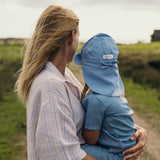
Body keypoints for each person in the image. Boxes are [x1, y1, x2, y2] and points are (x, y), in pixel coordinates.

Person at [15, 5, 147, 160]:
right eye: (78, 36)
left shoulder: (64, 76)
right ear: (72, 36)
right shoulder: (51, 87)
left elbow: (99, 116)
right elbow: (62, 155)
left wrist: (136, 132)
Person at [74, 33, 144, 159]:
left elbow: (91, 139)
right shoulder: (115, 94)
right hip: (126, 147)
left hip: (118, 154)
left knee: (73, 150)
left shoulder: (96, 100)